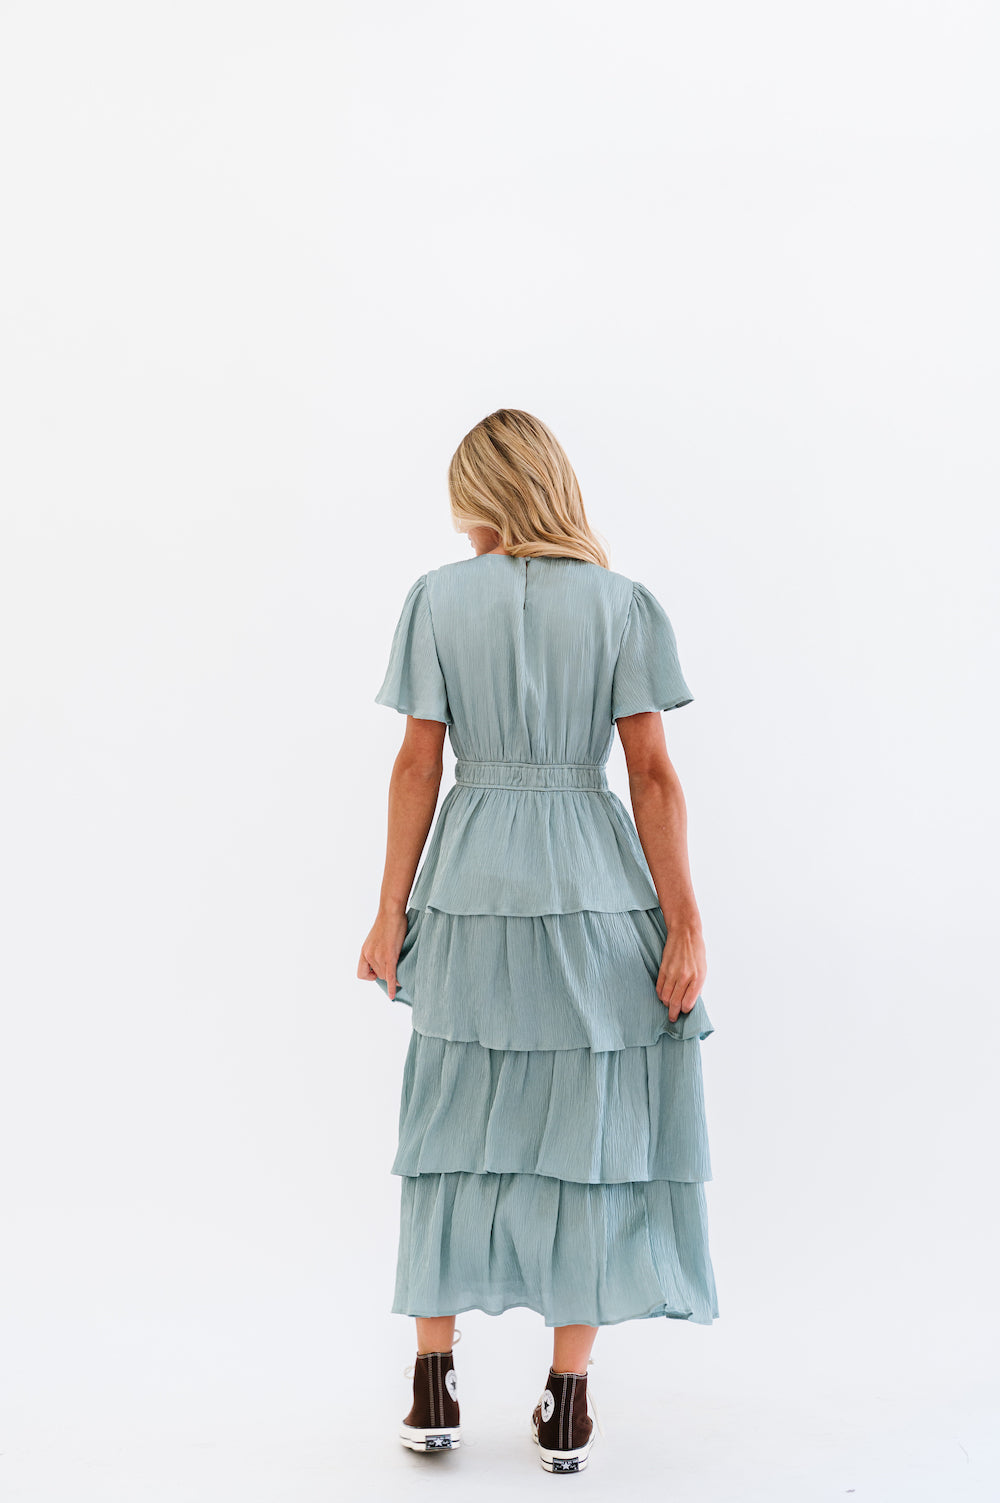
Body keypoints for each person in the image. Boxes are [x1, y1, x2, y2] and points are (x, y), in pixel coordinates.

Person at [358, 407, 718, 1473]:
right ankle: (567, 1397)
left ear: (480, 494)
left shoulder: (435, 599)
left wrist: (390, 910)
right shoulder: (620, 604)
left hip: (469, 883)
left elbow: (417, 764)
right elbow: (650, 775)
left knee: (448, 1125)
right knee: (587, 1136)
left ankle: (432, 1380)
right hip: (590, 888)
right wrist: (685, 920)